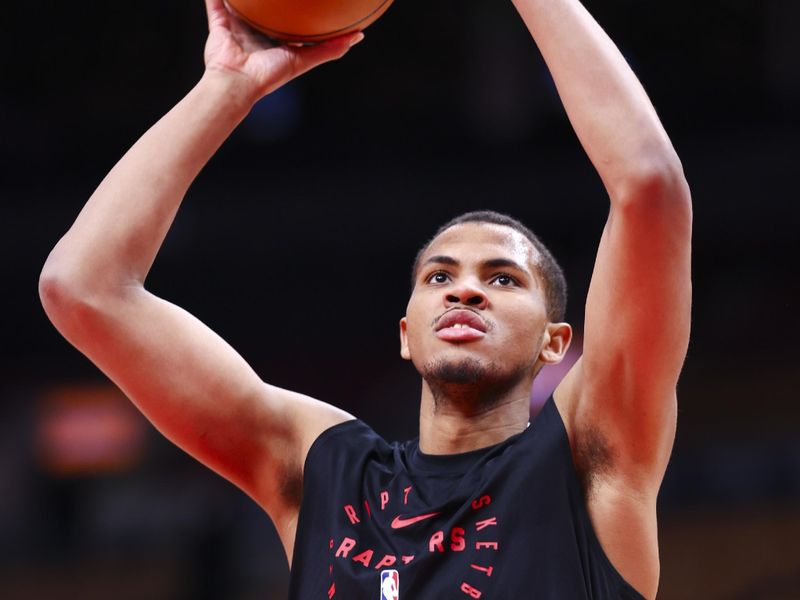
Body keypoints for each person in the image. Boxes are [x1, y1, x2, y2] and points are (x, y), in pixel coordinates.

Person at [39, 0, 692, 598]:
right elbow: (83, 288)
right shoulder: (326, 469)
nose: (465, 287)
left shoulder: (588, 460)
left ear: (555, 343)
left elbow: (649, 185)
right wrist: (227, 88)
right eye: (439, 277)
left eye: (503, 278)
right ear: (407, 332)